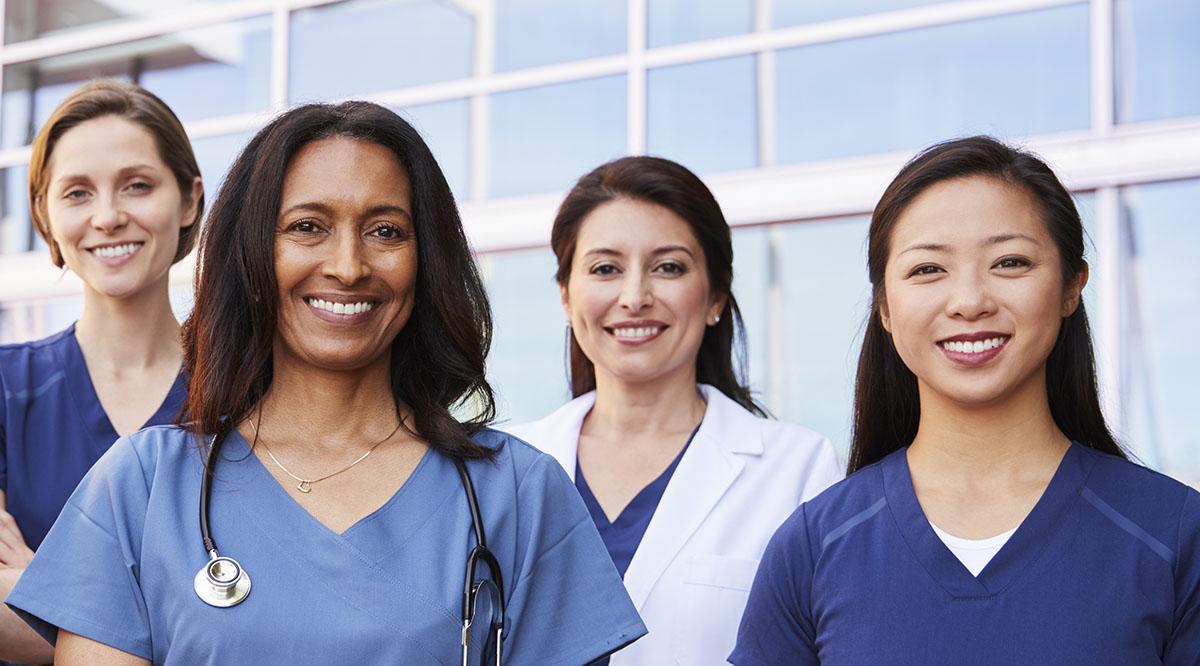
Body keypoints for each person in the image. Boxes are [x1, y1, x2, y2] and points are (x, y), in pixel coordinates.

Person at [6, 101, 645, 664]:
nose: (347, 266)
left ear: (427, 261)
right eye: (307, 227)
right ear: (252, 253)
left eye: (385, 231)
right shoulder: (142, 487)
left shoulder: (519, 494)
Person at [731, 136, 1200, 664]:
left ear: (1072, 287)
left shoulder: (1175, 533)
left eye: (1010, 262)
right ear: (884, 307)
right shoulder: (813, 546)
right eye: (928, 269)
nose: (971, 301)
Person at [506, 156, 841, 664]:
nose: (635, 296)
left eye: (668, 267)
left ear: (715, 298)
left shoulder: (800, 471)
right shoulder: (503, 467)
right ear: (566, 298)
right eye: (605, 269)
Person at [0, 80, 203, 665]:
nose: (109, 216)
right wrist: (181, 612)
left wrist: (45, 590)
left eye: (137, 186)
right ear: (44, 212)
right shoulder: (8, 390)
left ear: (188, 201)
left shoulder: (252, 392)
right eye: (78, 193)